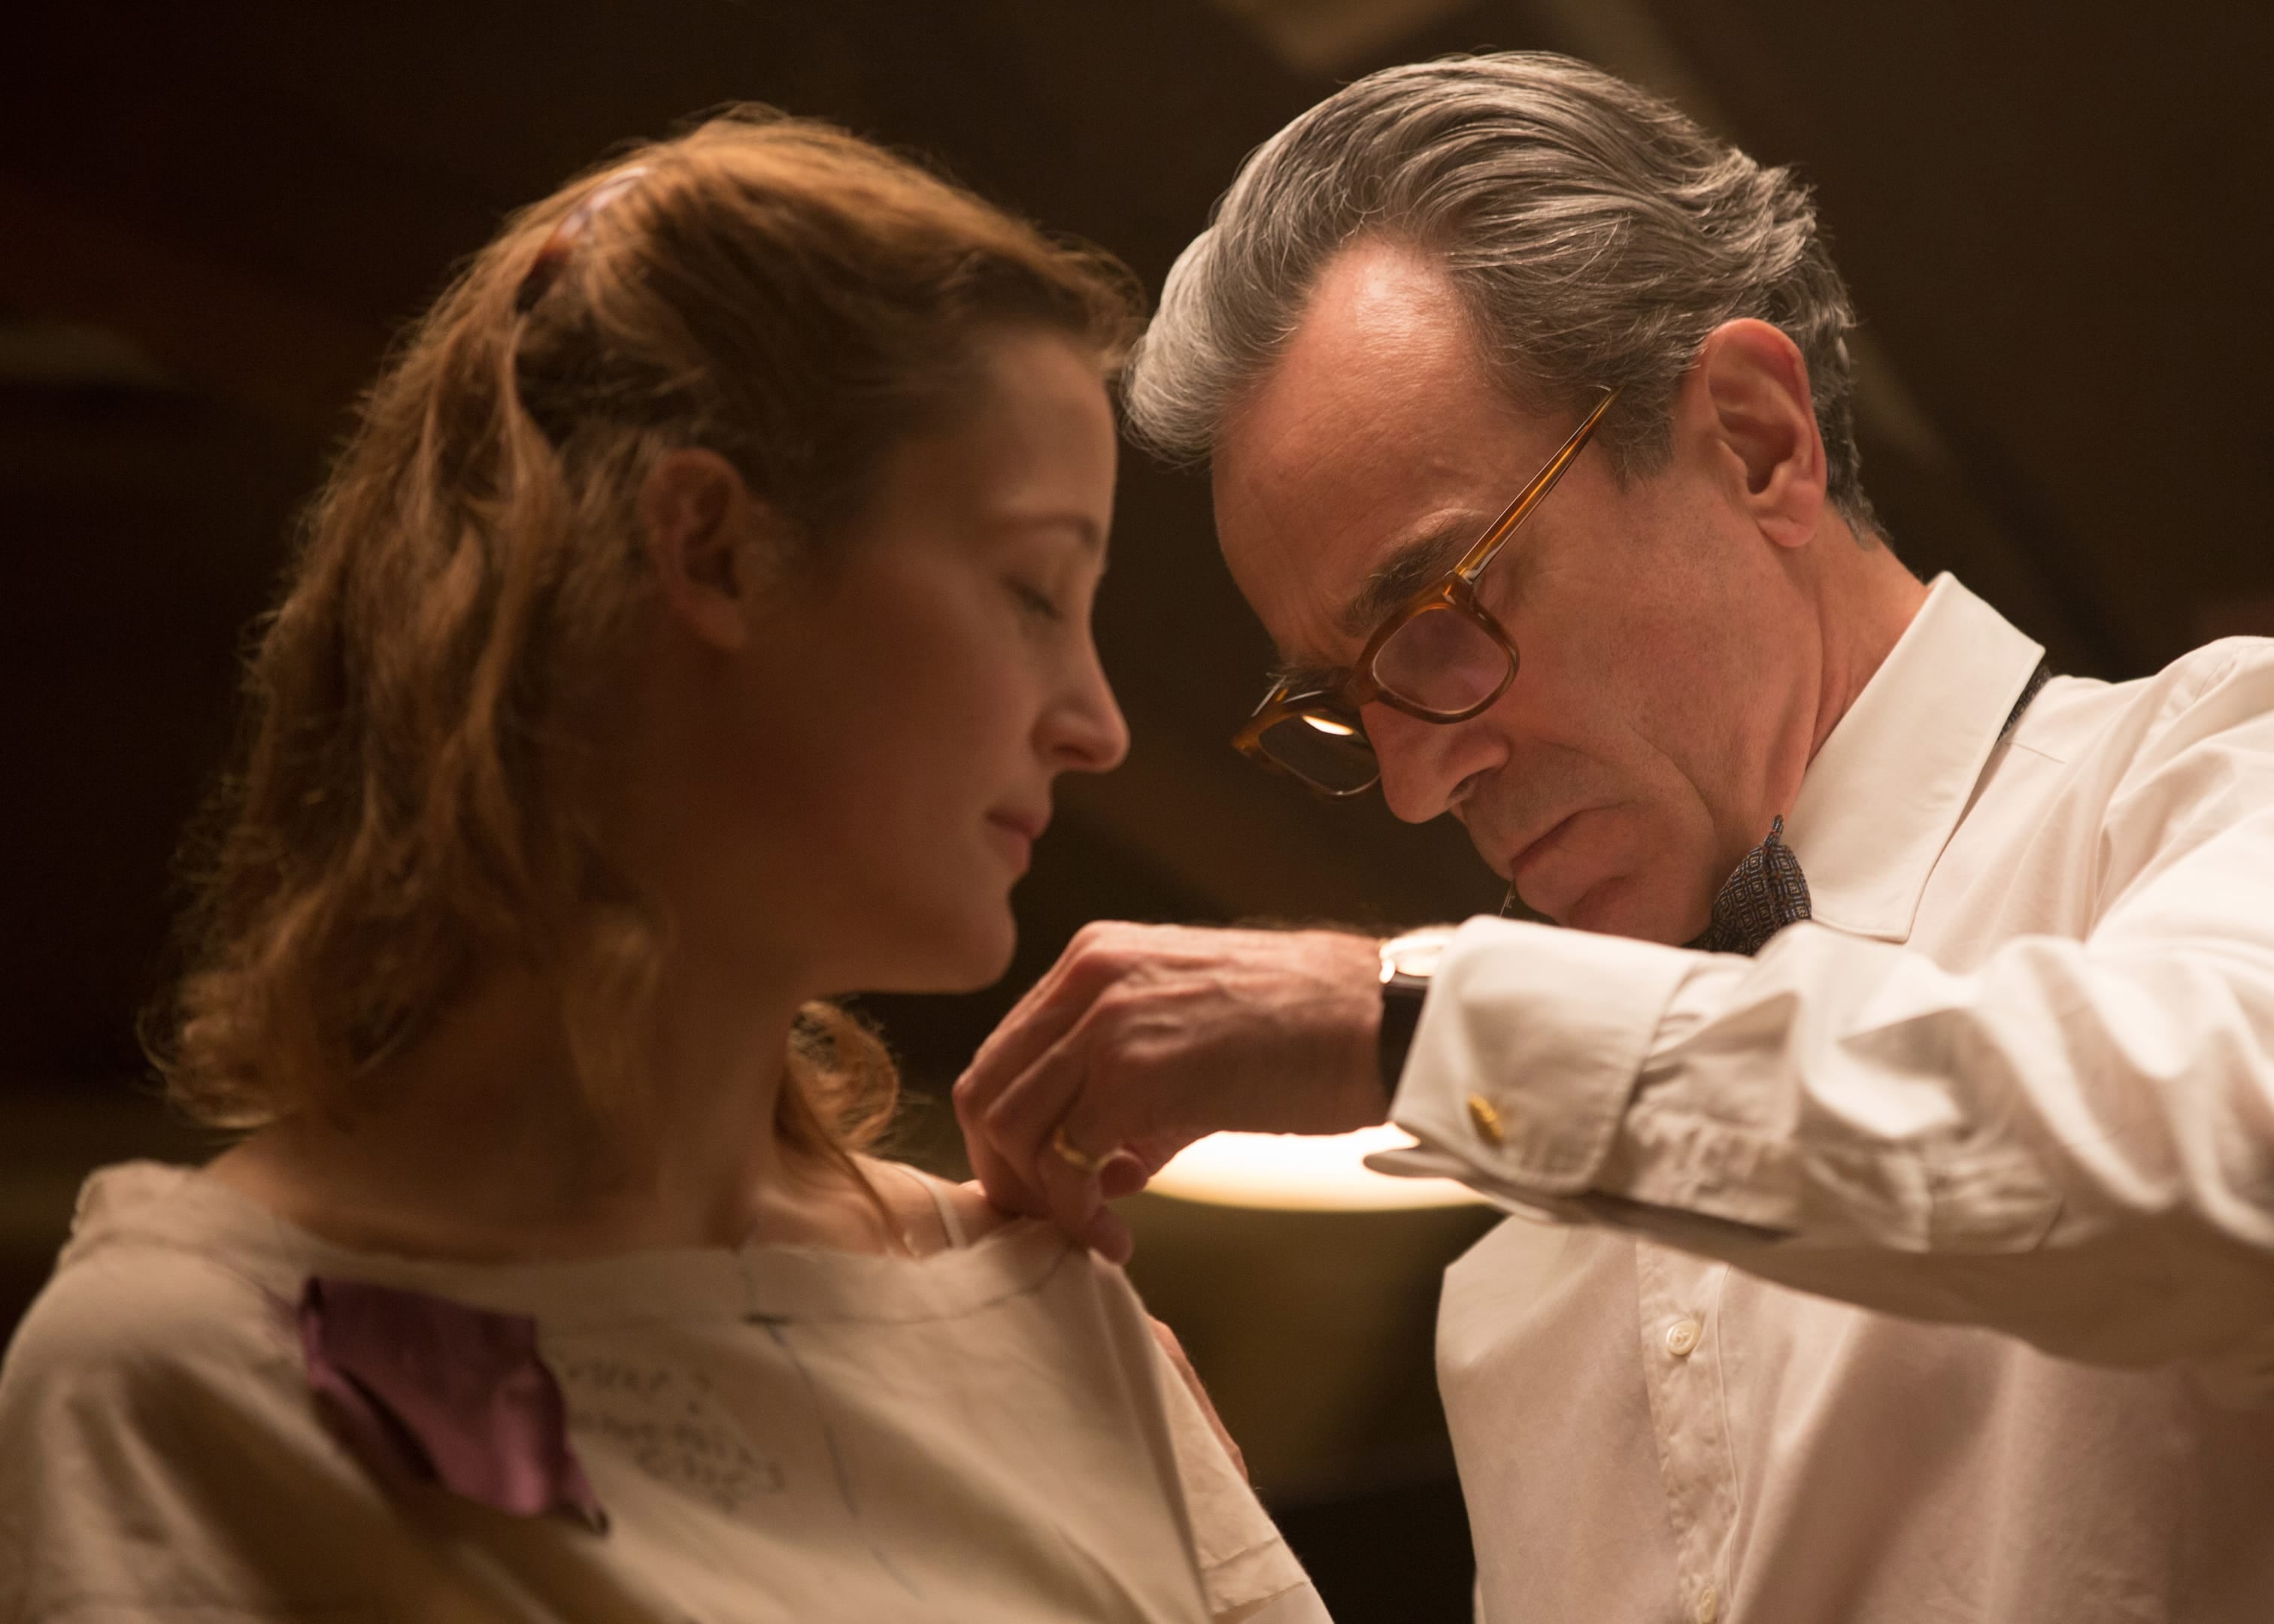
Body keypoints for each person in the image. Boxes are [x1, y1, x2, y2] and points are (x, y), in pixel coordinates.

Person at [955, 53, 2274, 1624]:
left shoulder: (2265, 769)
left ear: (1757, 440)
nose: (1410, 784)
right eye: (1345, 701)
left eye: (1439, 616)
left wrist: (1414, 1030)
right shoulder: (1527, 1285)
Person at [0, 111, 1324, 1624]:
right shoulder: (198, 1377)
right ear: (712, 548)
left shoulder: (1041, 1306)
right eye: (1035, 587)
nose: (1097, 724)